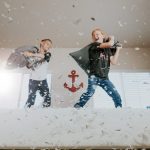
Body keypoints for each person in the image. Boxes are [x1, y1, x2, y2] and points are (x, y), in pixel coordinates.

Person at [74, 28, 122, 108]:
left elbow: (114, 62)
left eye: (97, 34)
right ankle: (77, 106)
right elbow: (110, 44)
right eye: (94, 35)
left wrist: (118, 50)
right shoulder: (94, 45)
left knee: (115, 95)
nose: (95, 36)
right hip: (94, 76)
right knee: (90, 93)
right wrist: (112, 38)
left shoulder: (107, 49)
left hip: (104, 78)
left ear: (102, 35)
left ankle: (119, 109)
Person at [24, 39, 52, 108]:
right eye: (47, 44)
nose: (49, 46)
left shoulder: (47, 54)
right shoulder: (33, 55)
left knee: (47, 99)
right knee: (31, 99)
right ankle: (26, 112)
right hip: (33, 81)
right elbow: (28, 66)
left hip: (43, 81)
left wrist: (31, 54)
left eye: (50, 46)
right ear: (41, 43)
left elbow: (43, 56)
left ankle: (44, 113)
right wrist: (27, 56)